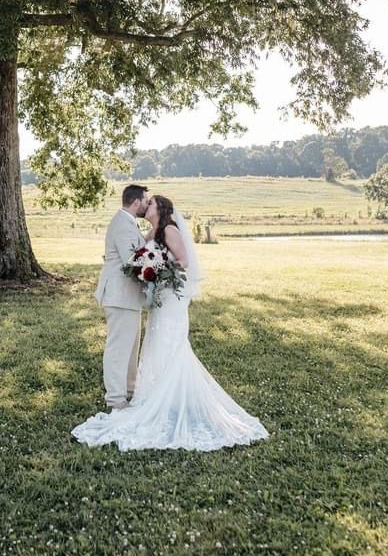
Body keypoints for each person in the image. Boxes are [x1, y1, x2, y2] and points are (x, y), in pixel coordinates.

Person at [73, 194, 269, 451]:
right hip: (159, 297)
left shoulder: (169, 229)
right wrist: (147, 268)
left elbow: (184, 261)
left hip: (171, 299)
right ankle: (155, 396)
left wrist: (159, 266)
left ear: (161, 208)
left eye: (151, 203)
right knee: (155, 345)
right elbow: (137, 258)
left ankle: (170, 398)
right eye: (146, 201)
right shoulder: (151, 231)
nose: (147, 206)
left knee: (170, 344)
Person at [94, 184, 150, 411]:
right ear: (136, 202)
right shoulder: (123, 225)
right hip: (119, 295)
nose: (147, 205)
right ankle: (116, 399)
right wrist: (156, 271)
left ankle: (129, 390)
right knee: (118, 348)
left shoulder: (128, 223)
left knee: (131, 347)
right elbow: (133, 262)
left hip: (128, 297)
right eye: (145, 200)